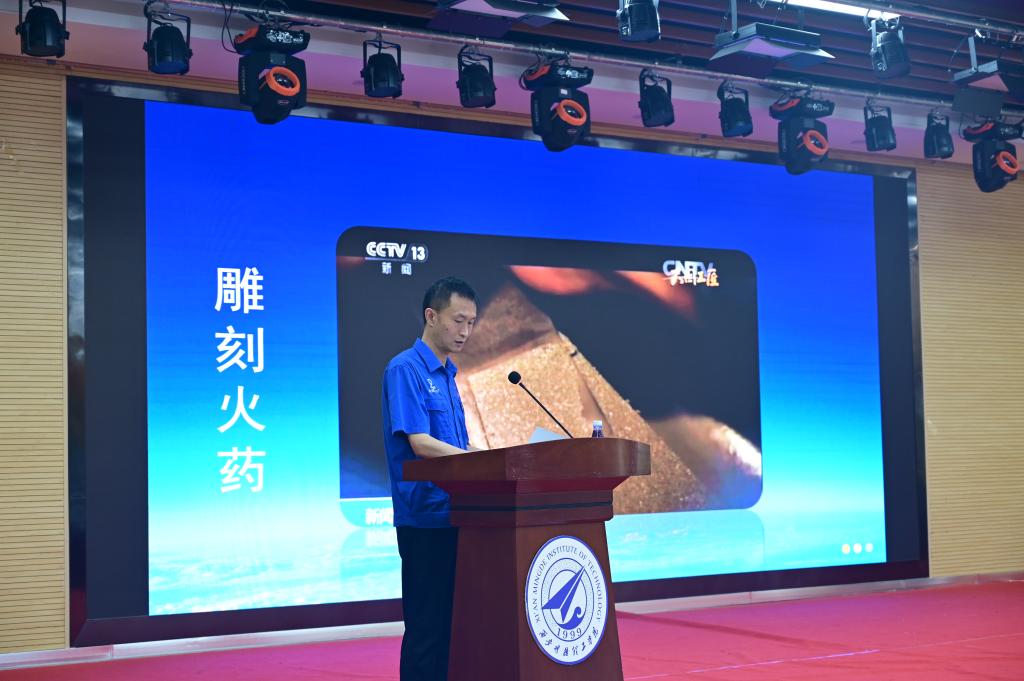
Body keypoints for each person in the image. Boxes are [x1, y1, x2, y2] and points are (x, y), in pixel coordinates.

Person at [381, 276, 478, 681]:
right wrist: (479, 460)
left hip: (460, 517)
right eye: (458, 320)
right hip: (426, 520)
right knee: (427, 630)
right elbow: (421, 444)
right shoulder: (405, 369)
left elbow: (459, 448)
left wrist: (491, 459)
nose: (465, 331)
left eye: (471, 323)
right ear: (431, 316)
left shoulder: (448, 375)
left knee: (455, 629)